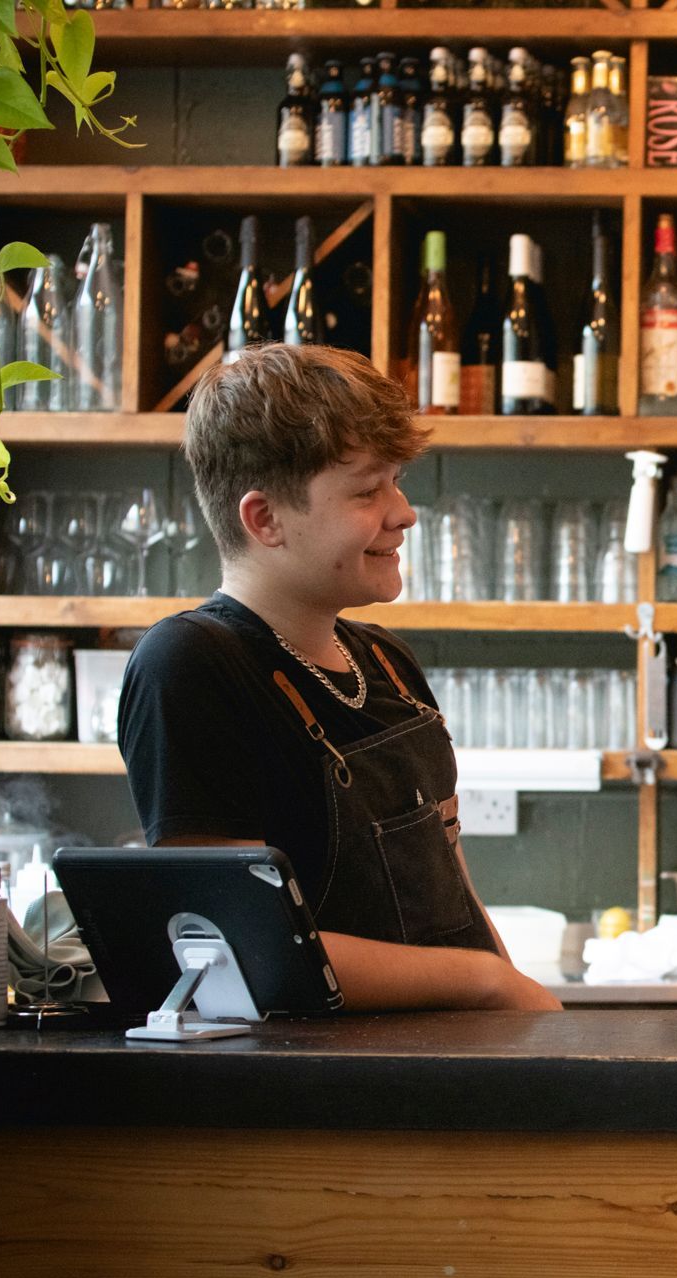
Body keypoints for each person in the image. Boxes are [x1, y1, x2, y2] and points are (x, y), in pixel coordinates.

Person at [117, 344, 559, 1012]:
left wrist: (512, 998)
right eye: (366, 490)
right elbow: (233, 941)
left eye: (397, 481)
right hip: (322, 1095)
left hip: (454, 1067)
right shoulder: (191, 663)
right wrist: (485, 982)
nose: (404, 512)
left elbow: (453, 885)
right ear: (265, 518)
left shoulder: (386, 661)